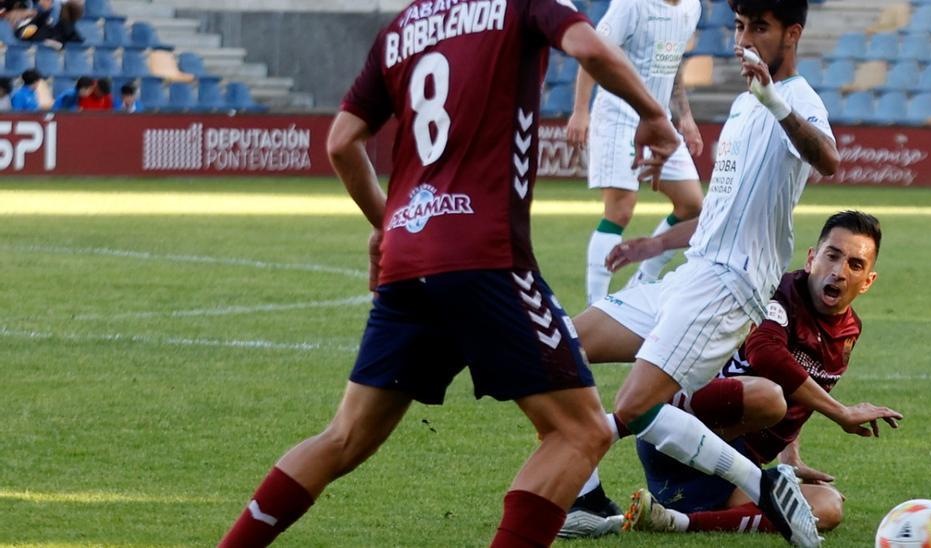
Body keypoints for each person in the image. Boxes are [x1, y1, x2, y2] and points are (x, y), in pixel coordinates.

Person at [216, 0, 681, 545]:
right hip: (485, 257)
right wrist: (653, 113)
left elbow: (342, 141)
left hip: (410, 261)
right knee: (582, 431)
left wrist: (389, 225)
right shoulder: (521, 5)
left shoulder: (403, 27)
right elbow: (587, 46)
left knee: (342, 438)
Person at [560, 0, 841, 545]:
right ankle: (586, 498)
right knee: (561, 348)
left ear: (793, 34)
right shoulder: (740, 107)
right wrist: (654, 243)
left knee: (634, 406)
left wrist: (773, 100)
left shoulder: (798, 101)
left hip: (729, 287)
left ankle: (761, 487)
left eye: (759, 27)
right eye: (739, 26)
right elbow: (717, 211)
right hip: (691, 273)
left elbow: (828, 160)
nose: (744, 40)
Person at [621, 211, 902, 537]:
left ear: (867, 281)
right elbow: (766, 354)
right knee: (769, 397)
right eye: (832, 255)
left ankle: (675, 521)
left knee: (828, 506)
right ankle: (627, 420)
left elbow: (802, 391)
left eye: (855, 265)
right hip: (676, 437)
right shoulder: (777, 292)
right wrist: (841, 413)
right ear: (812, 258)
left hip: (732, 468)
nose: (839, 272)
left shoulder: (849, 332)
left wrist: (790, 456)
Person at [569, 0, 704, 304]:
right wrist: (580, 111)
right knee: (620, 210)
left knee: (692, 204)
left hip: (658, 121)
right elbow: (593, 52)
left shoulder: (691, 8)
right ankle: (597, 305)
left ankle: (642, 281)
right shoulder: (631, 5)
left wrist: (684, 115)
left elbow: (673, 63)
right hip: (618, 116)